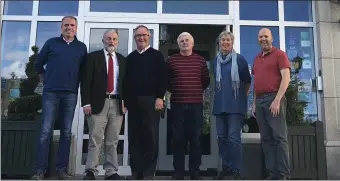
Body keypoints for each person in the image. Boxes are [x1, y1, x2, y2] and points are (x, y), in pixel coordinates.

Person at [32, 16, 87, 180]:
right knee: (45, 131)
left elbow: (84, 72)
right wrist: (46, 79)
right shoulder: (51, 43)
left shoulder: (81, 47)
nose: (69, 27)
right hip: (51, 93)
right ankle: (39, 171)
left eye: (72, 25)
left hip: (70, 94)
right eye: (66, 25)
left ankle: (61, 170)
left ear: (76, 28)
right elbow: (38, 64)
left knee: (66, 132)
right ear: (61, 27)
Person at [80, 29, 127, 180]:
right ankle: (90, 171)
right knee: (95, 138)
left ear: (117, 41)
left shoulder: (122, 60)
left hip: (117, 103)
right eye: (108, 38)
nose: (111, 41)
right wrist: (86, 103)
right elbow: (85, 82)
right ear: (103, 40)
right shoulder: (92, 57)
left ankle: (111, 171)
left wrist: (125, 102)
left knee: (112, 140)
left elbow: (125, 84)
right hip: (97, 103)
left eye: (114, 39)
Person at [122, 25, 167, 180]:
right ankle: (136, 172)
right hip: (133, 102)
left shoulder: (156, 56)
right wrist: (125, 101)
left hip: (151, 101)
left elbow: (163, 78)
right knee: (134, 137)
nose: (141, 38)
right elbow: (125, 82)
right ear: (134, 38)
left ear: (149, 37)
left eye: (144, 35)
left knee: (150, 137)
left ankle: (148, 173)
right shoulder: (130, 58)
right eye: (138, 36)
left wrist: (160, 97)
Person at [167, 32, 210, 180]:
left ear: (192, 44)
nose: (184, 42)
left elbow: (205, 81)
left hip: (195, 105)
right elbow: (167, 81)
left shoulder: (200, 61)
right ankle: (178, 172)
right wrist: (179, 90)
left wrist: (194, 90)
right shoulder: (171, 61)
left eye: (187, 40)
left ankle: (194, 171)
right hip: (177, 104)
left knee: (196, 139)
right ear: (178, 44)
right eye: (182, 41)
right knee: (178, 139)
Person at [251, 28, 291, 180]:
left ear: (272, 38)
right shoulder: (256, 58)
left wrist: (277, 100)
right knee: (266, 139)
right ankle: (272, 174)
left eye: (266, 36)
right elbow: (256, 83)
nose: (263, 39)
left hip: (274, 98)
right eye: (260, 37)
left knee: (279, 138)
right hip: (260, 101)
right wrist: (254, 104)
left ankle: (283, 175)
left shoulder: (279, 54)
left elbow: (286, 78)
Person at [211, 31, 251, 180]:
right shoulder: (215, 61)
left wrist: (240, 97)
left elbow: (247, 82)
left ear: (232, 42)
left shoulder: (240, 59)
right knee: (222, 138)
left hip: (235, 106)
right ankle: (226, 168)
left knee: (234, 138)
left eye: (228, 40)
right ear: (219, 43)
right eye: (223, 40)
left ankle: (236, 170)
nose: (225, 42)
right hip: (220, 105)